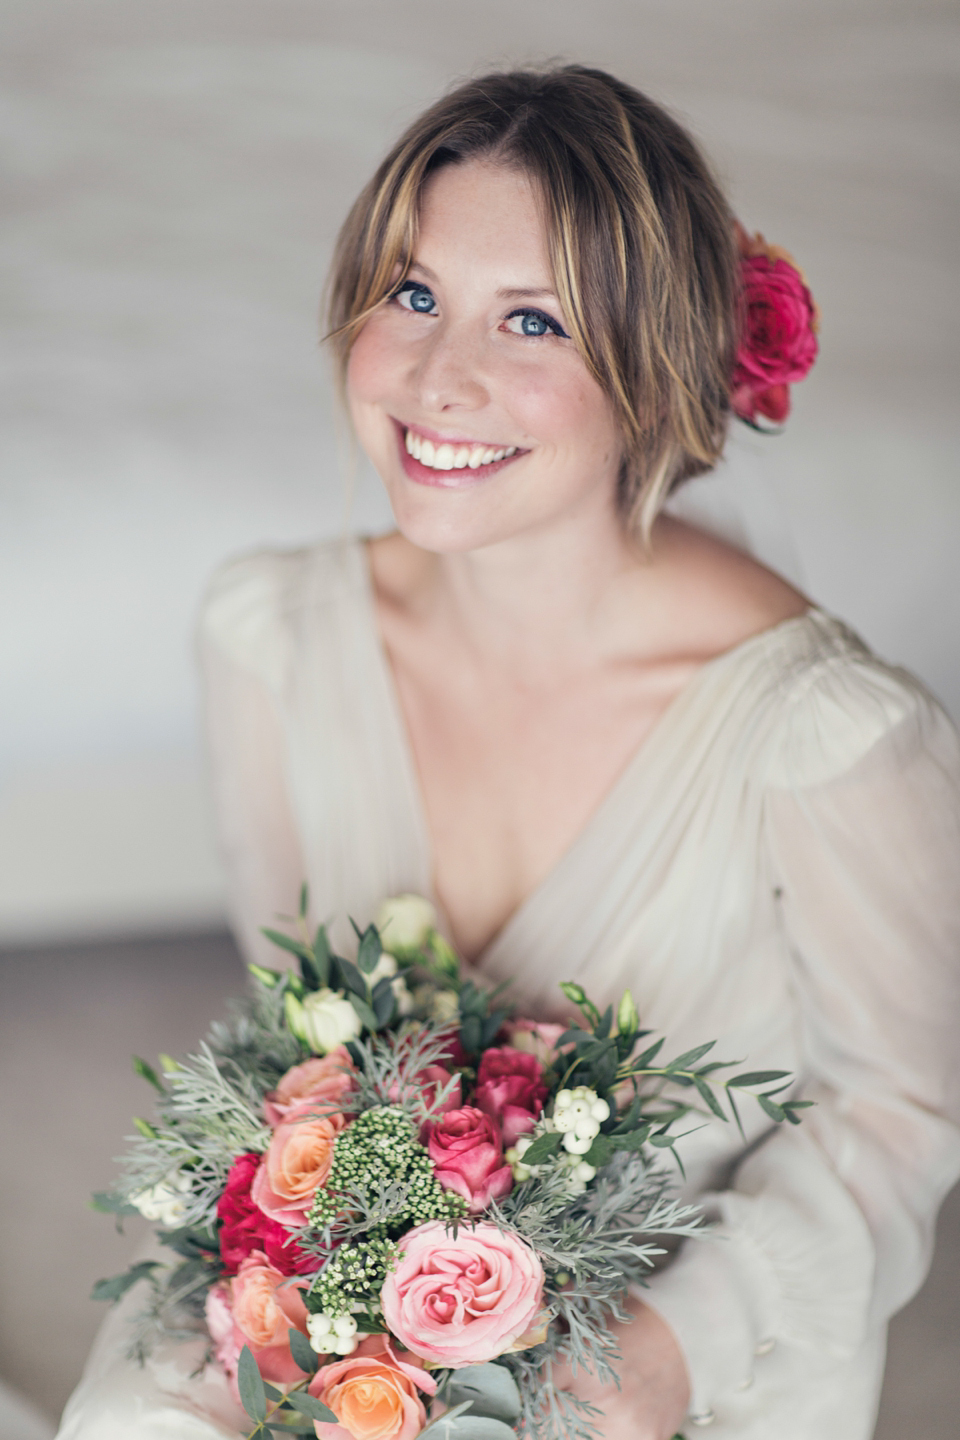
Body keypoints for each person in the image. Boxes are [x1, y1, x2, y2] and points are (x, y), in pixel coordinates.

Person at [57, 65, 960, 1440]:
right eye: (411, 295)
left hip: (667, 1334)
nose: (438, 378)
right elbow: (298, 1011)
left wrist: (669, 1350)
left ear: (652, 373)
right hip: (362, 1279)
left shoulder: (830, 737)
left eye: (529, 320)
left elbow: (904, 1113)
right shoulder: (273, 635)